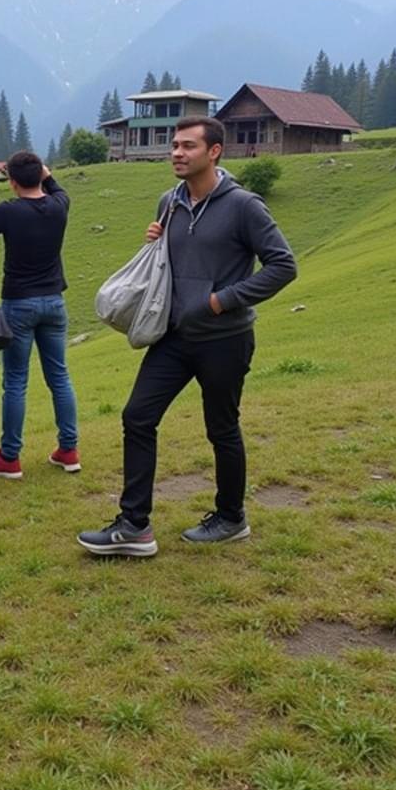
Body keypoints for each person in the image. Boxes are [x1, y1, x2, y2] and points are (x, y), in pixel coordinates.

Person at [78, 117, 297, 558]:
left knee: (221, 428)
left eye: (188, 146)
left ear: (214, 152)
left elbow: (283, 266)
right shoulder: (169, 202)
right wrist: (155, 240)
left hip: (225, 337)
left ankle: (231, 517)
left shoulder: (244, 206)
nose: (176, 152)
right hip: (173, 336)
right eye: (174, 145)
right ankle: (134, 526)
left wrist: (223, 300)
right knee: (137, 416)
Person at [0, 151, 79, 479]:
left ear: (13, 183)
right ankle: (68, 450)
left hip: (19, 304)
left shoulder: (8, 211)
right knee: (59, 376)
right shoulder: (60, 205)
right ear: (40, 175)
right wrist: (45, 173)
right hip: (54, 302)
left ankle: (10, 457)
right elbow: (55, 186)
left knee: (15, 381)